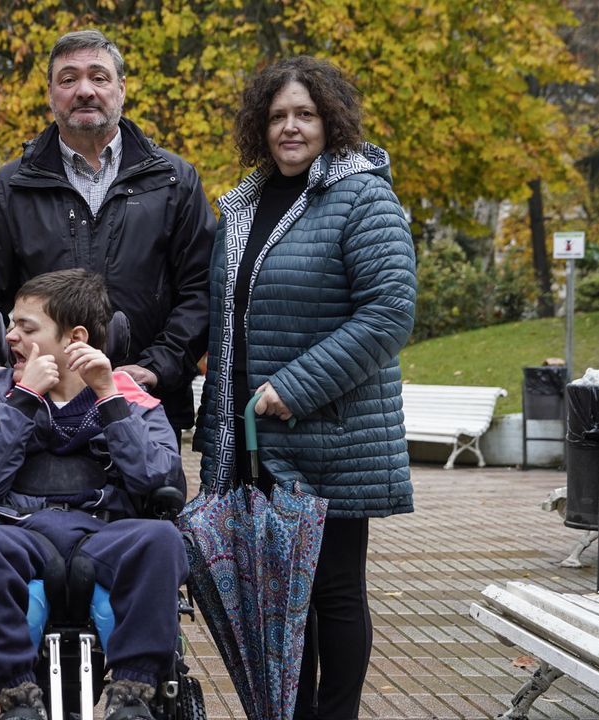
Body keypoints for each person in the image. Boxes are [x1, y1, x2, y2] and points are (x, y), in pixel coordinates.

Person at [194, 57, 417, 720]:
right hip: (256, 439)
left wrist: (294, 387)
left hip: (333, 434)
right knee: (278, 593)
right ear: (259, 127)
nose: (290, 128)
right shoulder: (246, 203)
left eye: (305, 114)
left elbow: (390, 309)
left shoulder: (360, 194)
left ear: (330, 121)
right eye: (277, 116)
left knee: (334, 591)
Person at [0, 269, 188, 720]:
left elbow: (161, 479)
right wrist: (23, 400)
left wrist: (107, 395)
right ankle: (17, 697)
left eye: (27, 327)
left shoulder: (127, 394)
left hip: (104, 531)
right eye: (10, 324)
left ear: (75, 337)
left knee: (163, 540)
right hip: (19, 529)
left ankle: (133, 696)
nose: (10, 337)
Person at [0, 29, 215, 436]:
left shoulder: (173, 181)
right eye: (68, 79)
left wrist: (155, 367)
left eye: (99, 77)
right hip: (35, 406)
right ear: (50, 93)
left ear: (122, 88)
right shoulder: (11, 187)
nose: (85, 91)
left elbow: (201, 289)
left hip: (141, 404)